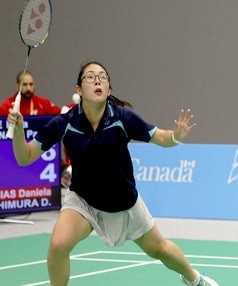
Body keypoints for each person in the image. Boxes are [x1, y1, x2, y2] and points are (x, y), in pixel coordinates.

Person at [7, 60, 219, 286]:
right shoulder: (65, 122)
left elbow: (161, 137)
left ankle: (194, 279)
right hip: (84, 202)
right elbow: (25, 156)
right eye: (90, 77)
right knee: (58, 245)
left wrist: (176, 136)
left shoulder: (122, 118)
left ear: (109, 89)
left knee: (161, 250)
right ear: (79, 90)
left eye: (102, 77)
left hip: (124, 203)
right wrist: (18, 131)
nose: (97, 80)